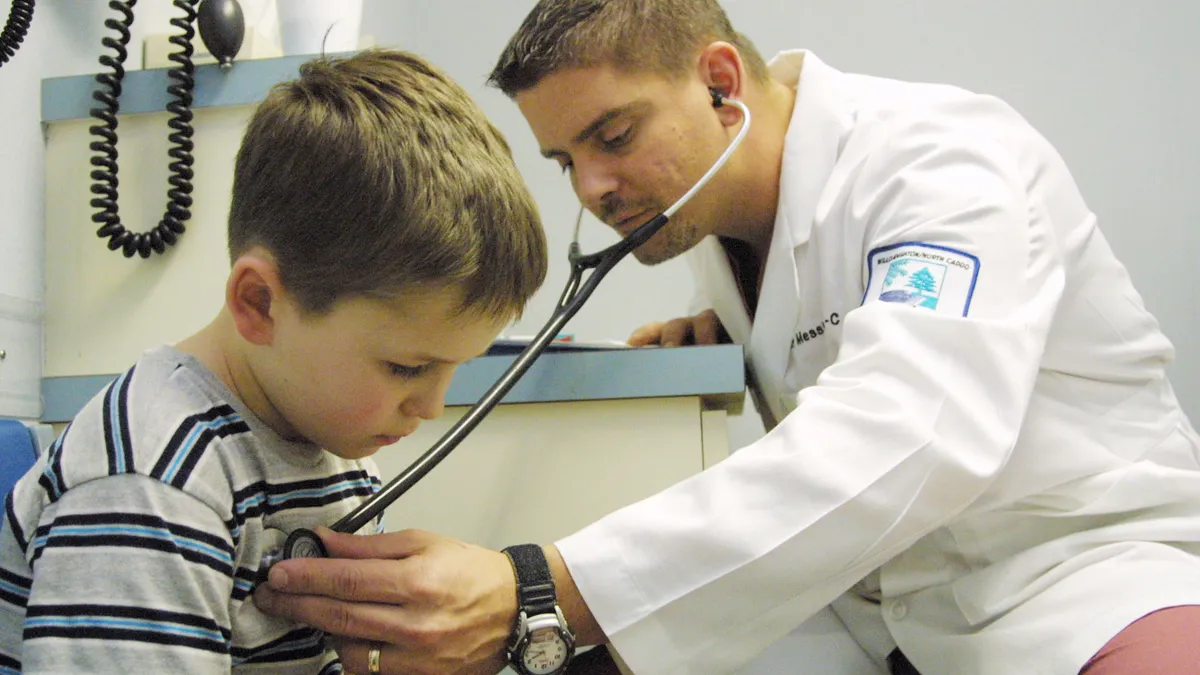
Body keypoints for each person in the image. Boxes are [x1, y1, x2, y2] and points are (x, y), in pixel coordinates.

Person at [251, 2, 1200, 674]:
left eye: (613, 135)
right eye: (565, 159)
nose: (591, 189)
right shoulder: (716, 228)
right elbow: (834, 323)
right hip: (886, 620)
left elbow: (913, 429)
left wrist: (540, 588)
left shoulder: (941, 162)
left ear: (718, 82)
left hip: (1080, 589)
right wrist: (726, 340)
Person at [0, 48, 547, 674]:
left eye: (456, 368)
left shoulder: (327, 433)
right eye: (406, 368)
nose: (431, 408)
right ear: (259, 302)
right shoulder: (154, 484)